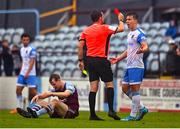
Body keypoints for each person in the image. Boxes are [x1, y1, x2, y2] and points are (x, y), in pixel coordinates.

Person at [77, 10, 124, 120]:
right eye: (102, 16)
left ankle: (92, 115)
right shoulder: (105, 27)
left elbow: (80, 46)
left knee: (93, 87)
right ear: (100, 18)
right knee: (109, 85)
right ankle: (111, 111)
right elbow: (121, 29)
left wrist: (80, 61)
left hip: (89, 61)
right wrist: (120, 19)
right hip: (101, 60)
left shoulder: (85, 31)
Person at [111, 12, 149, 121]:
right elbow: (129, 50)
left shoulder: (139, 33)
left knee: (135, 90)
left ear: (135, 21)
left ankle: (132, 115)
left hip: (137, 66)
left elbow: (145, 45)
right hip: (129, 66)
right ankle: (142, 108)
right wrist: (118, 58)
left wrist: (143, 49)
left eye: (129, 19)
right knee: (124, 88)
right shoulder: (129, 34)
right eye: (126, 19)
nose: (127, 21)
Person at [10, 33, 37, 113]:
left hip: (31, 74)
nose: (25, 41)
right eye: (24, 40)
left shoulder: (32, 50)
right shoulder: (21, 49)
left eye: (27, 40)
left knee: (32, 92)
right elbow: (23, 62)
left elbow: (32, 62)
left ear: (29, 40)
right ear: (22, 40)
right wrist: (21, 72)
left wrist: (27, 73)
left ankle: (32, 108)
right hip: (22, 73)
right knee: (18, 90)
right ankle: (19, 108)